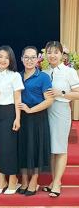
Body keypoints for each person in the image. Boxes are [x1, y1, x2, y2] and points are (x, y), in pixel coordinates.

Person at [42, 41, 79, 197]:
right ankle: (53, 180)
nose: (52, 55)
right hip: (46, 111)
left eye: (56, 52)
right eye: (49, 52)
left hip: (61, 111)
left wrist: (61, 93)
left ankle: (57, 182)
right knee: (52, 148)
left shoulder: (69, 72)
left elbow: (77, 94)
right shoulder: (44, 71)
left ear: (62, 55)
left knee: (61, 147)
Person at [17, 46, 53, 196]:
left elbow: (49, 100)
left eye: (33, 57)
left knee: (37, 148)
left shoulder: (43, 76)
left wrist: (31, 109)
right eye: (27, 57)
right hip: (22, 117)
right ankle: (24, 180)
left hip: (37, 116)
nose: (30, 60)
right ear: (21, 59)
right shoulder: (17, 76)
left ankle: (34, 180)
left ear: (38, 59)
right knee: (23, 148)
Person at [0, 46, 24, 195]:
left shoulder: (14, 75)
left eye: (6, 57)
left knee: (8, 148)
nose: (3, 60)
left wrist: (18, 118)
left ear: (10, 60)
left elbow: (18, 98)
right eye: (0, 56)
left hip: (9, 112)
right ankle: (1, 180)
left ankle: (12, 180)